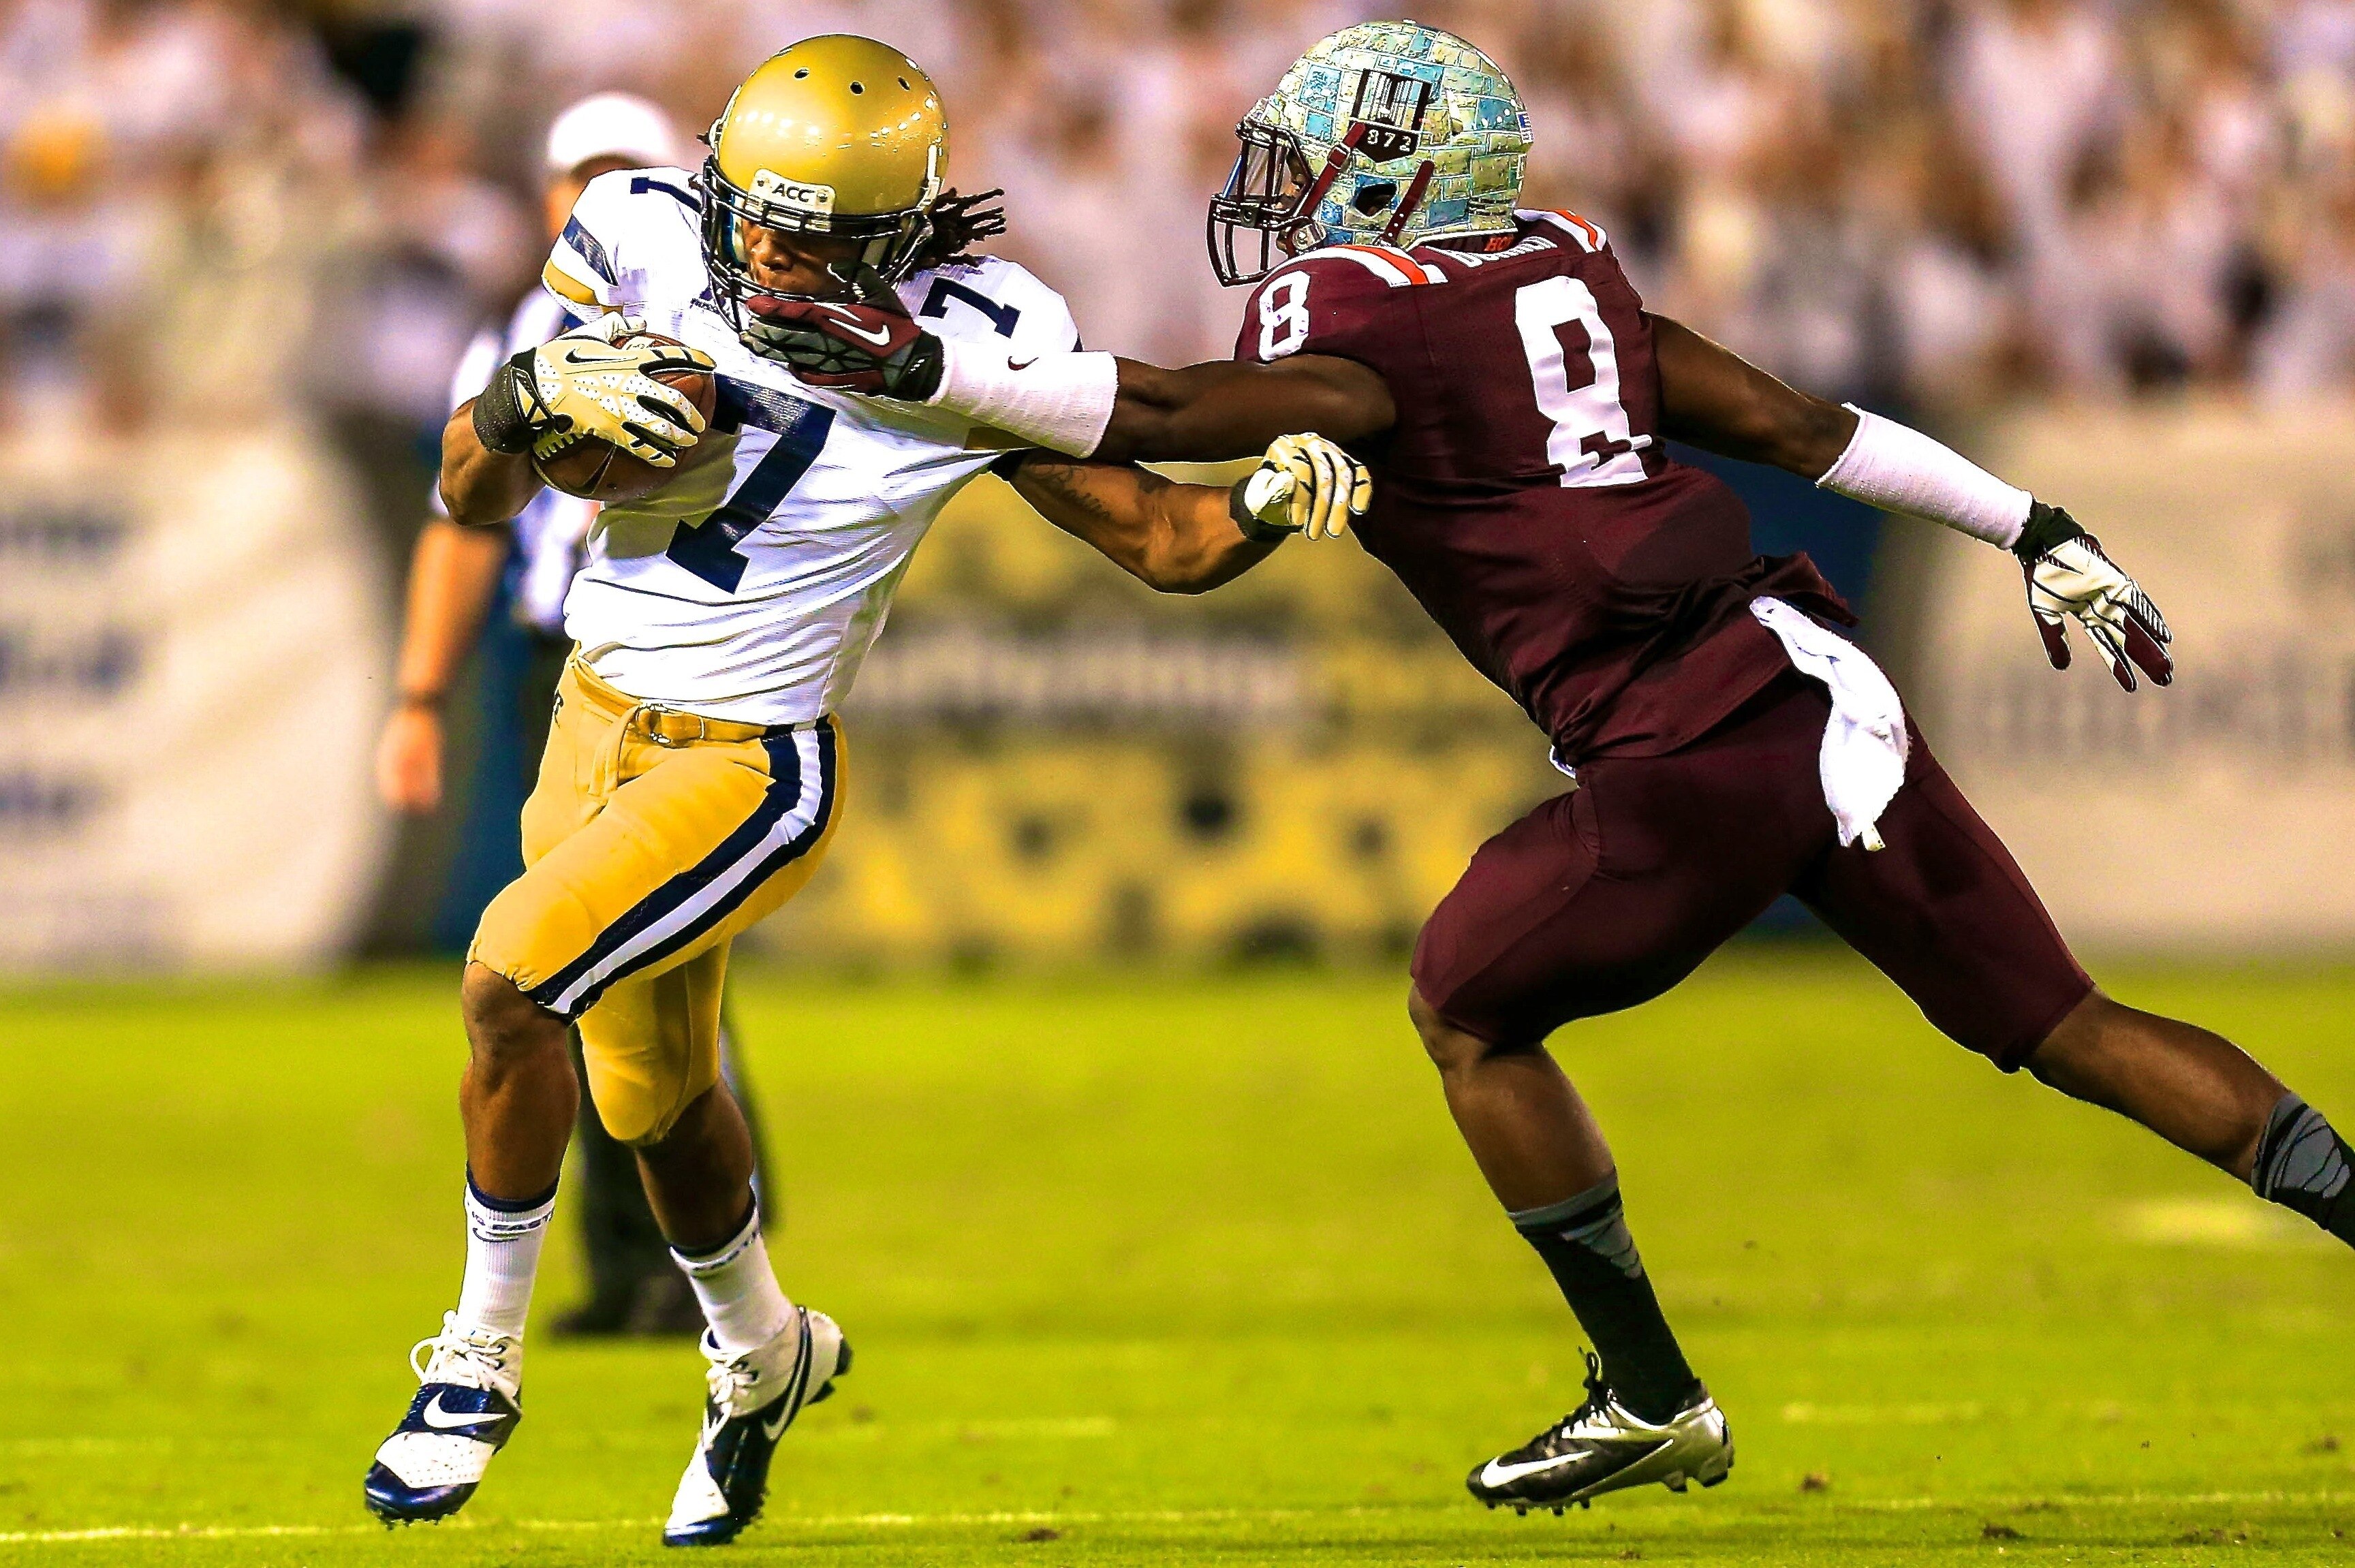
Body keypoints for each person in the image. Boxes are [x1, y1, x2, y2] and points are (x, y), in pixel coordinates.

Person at [758, 19, 2355, 1518]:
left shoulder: (1367, 320)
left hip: (1685, 743)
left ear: (1395, 180)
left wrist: (920, 366)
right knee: (2071, 1026)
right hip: (1815, 689)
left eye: (1310, 164)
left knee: (1464, 1006)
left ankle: (1650, 1390)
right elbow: (1801, 425)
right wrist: (2034, 524)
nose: (1281, 196)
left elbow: (1170, 407)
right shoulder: (1561, 266)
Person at [359, 34, 1369, 1548]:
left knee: (508, 985)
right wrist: (514, 403)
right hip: (587, 717)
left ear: (899, 231)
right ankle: (765, 1352)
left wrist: (1268, 503)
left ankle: (475, 1364)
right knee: (657, 1103)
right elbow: (468, 489)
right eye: (751, 214)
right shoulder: (637, 227)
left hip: (747, 762)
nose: (765, 250)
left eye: (809, 233)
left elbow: (1163, 540)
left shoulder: (976, 336)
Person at [377, 91, 770, 1342]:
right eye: (579, 177)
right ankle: (653, 1260)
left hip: (681, 667)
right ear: (552, 198)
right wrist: (420, 695)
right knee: (591, 965)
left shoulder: (738, 320)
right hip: (560, 662)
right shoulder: (519, 332)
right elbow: (461, 524)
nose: (599, 199)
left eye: (624, 173)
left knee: (618, 961)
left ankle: (704, 1256)